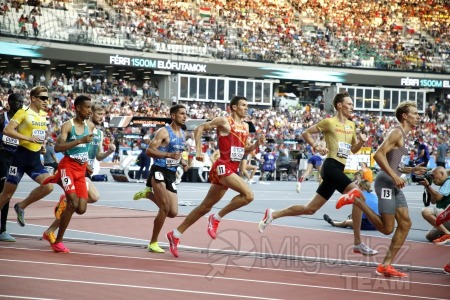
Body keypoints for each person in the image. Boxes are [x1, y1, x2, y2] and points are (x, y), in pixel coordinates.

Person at [258, 91, 378, 257]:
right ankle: (358, 243)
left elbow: (352, 150)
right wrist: (316, 145)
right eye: (349, 104)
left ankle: (273, 214)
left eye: (352, 104)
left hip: (339, 169)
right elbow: (305, 133)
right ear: (339, 105)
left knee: (310, 209)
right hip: (330, 167)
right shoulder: (329, 122)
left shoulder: (351, 126)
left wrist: (362, 142)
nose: (352, 107)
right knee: (359, 197)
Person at [336, 101, 426, 278]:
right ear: (405, 116)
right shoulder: (396, 132)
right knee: (387, 229)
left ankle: (385, 265)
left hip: (393, 182)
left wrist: (411, 170)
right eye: (415, 113)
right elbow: (378, 155)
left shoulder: (404, 135)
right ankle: (357, 199)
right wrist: (394, 176)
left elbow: (394, 164)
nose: (418, 116)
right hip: (386, 182)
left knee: (406, 223)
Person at [166, 96, 265, 257]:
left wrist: (256, 145)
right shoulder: (224, 121)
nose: (247, 108)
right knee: (248, 195)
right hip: (222, 166)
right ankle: (216, 218)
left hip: (233, 168)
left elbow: (244, 151)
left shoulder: (246, 127)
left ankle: (175, 234)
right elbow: (198, 129)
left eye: (248, 105)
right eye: (243, 105)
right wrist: (198, 151)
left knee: (204, 207)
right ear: (234, 107)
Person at [42, 101, 115, 246]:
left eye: (103, 114)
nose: (101, 117)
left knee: (79, 207)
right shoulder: (76, 127)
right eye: (98, 113)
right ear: (89, 113)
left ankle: (51, 228)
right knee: (90, 197)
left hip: (84, 168)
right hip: (73, 167)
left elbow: (98, 156)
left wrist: (109, 152)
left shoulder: (98, 133)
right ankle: (57, 231)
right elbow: (61, 147)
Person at [41, 95, 94, 253]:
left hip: (81, 169)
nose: (90, 111)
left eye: (91, 108)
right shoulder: (67, 126)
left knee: (81, 208)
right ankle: (58, 241)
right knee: (73, 204)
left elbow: (87, 148)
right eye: (87, 108)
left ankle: (64, 198)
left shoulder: (90, 126)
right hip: (67, 167)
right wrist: (79, 141)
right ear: (78, 108)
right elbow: (58, 148)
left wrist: (87, 164)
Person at [133, 104, 188, 253]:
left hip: (171, 174)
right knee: (164, 208)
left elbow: (177, 153)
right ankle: (153, 242)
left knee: (173, 212)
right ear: (173, 116)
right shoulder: (164, 131)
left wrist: (182, 163)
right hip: (159, 171)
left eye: (185, 114)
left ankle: (148, 194)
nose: (184, 116)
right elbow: (149, 150)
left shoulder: (183, 134)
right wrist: (168, 155)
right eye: (181, 114)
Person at [0, 86, 53, 227]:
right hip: (20, 159)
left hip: (35, 160)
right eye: (42, 98)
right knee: (6, 195)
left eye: (47, 98)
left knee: (48, 187)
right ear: (33, 98)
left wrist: (41, 146)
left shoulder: (43, 114)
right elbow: (7, 130)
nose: (45, 101)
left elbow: (39, 135)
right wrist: (27, 138)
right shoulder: (23, 112)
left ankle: (21, 206)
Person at [0, 93, 24, 241]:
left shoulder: (22, 121)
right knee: (5, 191)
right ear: (10, 102)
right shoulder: (2, 118)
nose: (21, 104)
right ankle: (2, 230)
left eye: (22, 101)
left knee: (7, 194)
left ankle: (2, 230)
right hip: (2, 156)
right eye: (18, 101)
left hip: (14, 159)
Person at [418, 166, 450, 245]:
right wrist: (427, 187)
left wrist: (428, 186)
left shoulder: (448, 181)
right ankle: (447, 232)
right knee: (430, 236)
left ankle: (447, 234)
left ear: (442, 174)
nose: (432, 178)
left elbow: (438, 197)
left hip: (447, 215)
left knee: (425, 211)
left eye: (433, 176)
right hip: (445, 217)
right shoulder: (444, 185)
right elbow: (433, 201)